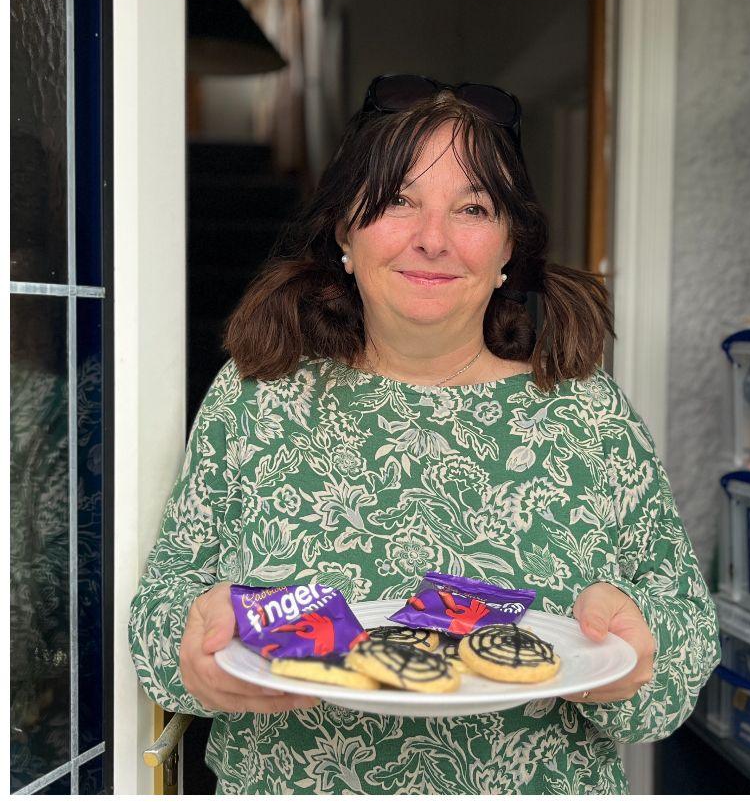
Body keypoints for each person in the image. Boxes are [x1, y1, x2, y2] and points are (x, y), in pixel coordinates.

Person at [128, 75, 719, 794]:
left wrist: (636, 660)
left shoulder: (590, 418)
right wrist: (194, 658)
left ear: (511, 245)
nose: (432, 239)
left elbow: (685, 641)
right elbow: (161, 616)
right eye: (399, 201)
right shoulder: (259, 401)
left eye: (472, 207)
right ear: (345, 228)